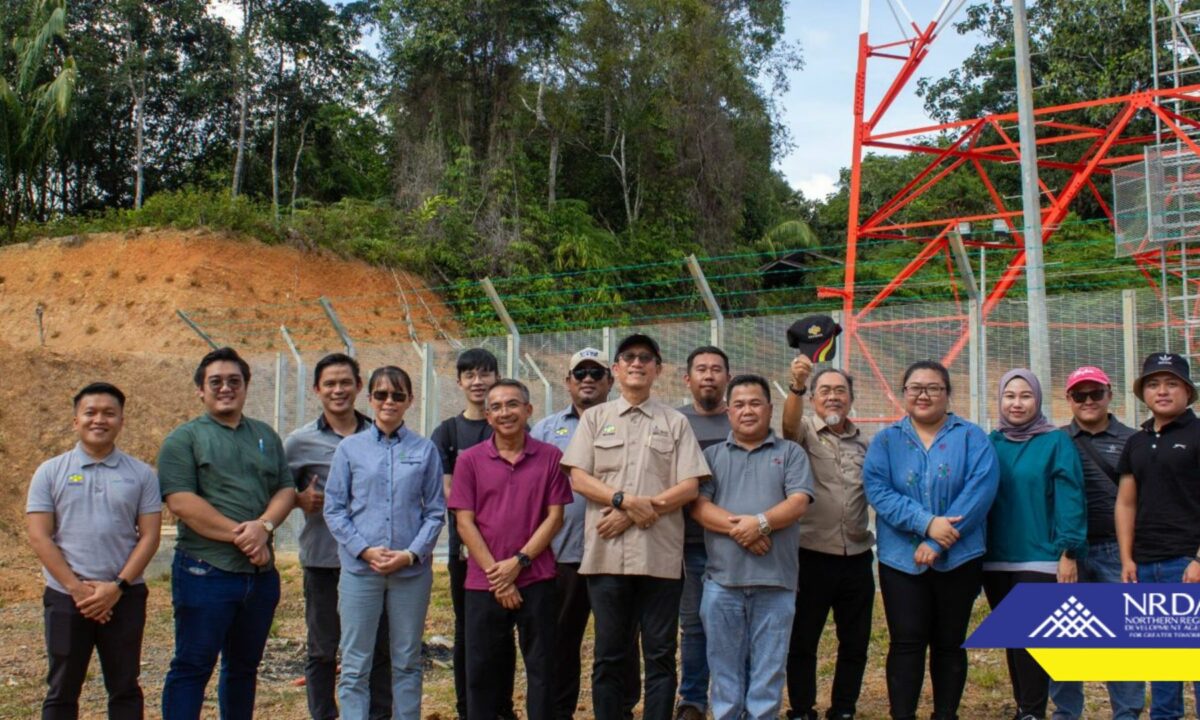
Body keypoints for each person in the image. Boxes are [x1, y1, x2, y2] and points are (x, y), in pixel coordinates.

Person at [561, 333, 711, 720]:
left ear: (658, 369)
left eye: (646, 357)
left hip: (659, 558)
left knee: (660, 655)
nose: (637, 363)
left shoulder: (675, 422)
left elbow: (690, 485)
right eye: (629, 356)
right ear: (616, 368)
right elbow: (578, 478)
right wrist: (623, 501)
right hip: (606, 558)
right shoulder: (595, 419)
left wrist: (642, 509)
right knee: (610, 654)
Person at [158, 347, 296, 720]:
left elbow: (286, 489)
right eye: (215, 381)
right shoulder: (183, 440)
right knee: (192, 666)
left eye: (234, 381)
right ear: (200, 390)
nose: (225, 388)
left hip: (259, 579)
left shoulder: (265, 435)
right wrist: (246, 537)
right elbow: (182, 502)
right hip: (205, 572)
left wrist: (263, 526)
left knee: (243, 670)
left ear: (246, 386)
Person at [863, 360, 999, 720]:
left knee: (949, 643)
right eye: (915, 388)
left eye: (933, 388)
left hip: (960, 558)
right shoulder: (886, 440)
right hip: (900, 560)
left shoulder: (972, 437)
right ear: (904, 393)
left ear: (947, 393)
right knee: (906, 643)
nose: (923, 395)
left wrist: (939, 542)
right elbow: (878, 489)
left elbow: (980, 492)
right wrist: (926, 524)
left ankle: (945, 714)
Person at [26, 382, 161, 720]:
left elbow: (150, 536)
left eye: (109, 413)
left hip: (124, 596)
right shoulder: (50, 472)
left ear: (121, 421)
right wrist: (78, 590)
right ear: (76, 420)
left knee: (125, 687)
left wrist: (115, 588)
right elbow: (40, 536)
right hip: (66, 597)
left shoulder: (142, 474)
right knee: (62, 689)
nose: (99, 419)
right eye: (90, 412)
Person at [324, 365, 446, 720]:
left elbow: (435, 511)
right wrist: (363, 549)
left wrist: (410, 554)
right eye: (381, 394)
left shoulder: (424, 450)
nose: (389, 401)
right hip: (361, 571)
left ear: (409, 400)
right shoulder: (350, 449)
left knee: (407, 659)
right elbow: (334, 508)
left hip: (410, 574)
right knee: (355, 662)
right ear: (370, 398)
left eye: (397, 395)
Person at [450, 379, 575, 720]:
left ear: (528, 410)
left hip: (537, 578)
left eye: (513, 404)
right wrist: (499, 576)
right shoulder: (470, 461)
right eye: (497, 407)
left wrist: (517, 564)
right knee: (482, 673)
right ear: (488, 416)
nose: (506, 412)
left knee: (543, 670)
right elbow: (464, 522)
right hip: (483, 582)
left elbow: (555, 517)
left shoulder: (550, 457)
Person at [692, 374, 814, 720]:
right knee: (724, 671)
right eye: (740, 404)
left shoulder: (791, 453)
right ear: (729, 411)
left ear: (770, 409)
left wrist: (760, 523)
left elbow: (799, 501)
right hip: (722, 584)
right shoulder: (712, 456)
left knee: (768, 672)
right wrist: (743, 529)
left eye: (755, 403)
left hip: (776, 583)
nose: (748, 411)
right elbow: (699, 507)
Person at [530, 347, 636, 720]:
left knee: (619, 642)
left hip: (617, 551)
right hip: (564, 555)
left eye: (595, 372)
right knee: (560, 642)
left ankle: (619, 711)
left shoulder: (630, 421)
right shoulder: (544, 430)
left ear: (611, 379)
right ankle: (560, 712)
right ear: (568, 382)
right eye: (580, 374)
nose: (587, 379)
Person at [284, 353, 391, 720]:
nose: (338, 390)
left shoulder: (380, 434)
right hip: (324, 559)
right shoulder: (299, 443)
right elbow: (278, 493)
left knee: (378, 648)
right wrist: (299, 500)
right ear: (317, 389)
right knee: (323, 650)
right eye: (329, 383)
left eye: (346, 382)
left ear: (360, 387)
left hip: (374, 562)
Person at [984, 369, 1087, 720]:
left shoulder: (1055, 442)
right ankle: (1024, 708)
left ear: (1038, 399)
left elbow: (1070, 498)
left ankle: (1032, 711)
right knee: (1015, 641)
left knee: (1034, 643)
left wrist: (1068, 551)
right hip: (996, 560)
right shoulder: (991, 441)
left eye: (1025, 395)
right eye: (1009, 395)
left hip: (1041, 559)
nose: (1017, 403)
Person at [1049, 366, 1145, 720]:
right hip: (1066, 555)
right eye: (1080, 395)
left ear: (1109, 394)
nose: (1088, 401)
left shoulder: (1133, 439)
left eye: (1095, 394)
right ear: (1069, 399)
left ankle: (1127, 713)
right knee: (1064, 639)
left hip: (1115, 551)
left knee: (1121, 641)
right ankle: (1065, 712)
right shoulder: (1056, 440)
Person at [781, 356, 874, 720]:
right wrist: (797, 386)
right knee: (803, 640)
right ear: (814, 398)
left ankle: (844, 708)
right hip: (811, 554)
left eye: (840, 390)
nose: (833, 397)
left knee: (855, 641)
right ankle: (802, 708)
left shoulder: (865, 443)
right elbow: (787, 427)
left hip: (858, 554)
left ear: (850, 397)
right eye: (825, 391)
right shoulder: (802, 432)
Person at [430, 348, 518, 720]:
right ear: (459, 382)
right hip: (466, 554)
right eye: (470, 375)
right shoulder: (448, 432)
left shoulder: (508, 423)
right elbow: (452, 494)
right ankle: (469, 708)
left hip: (514, 555)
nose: (478, 381)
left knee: (506, 635)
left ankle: (503, 707)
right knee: (469, 633)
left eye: (485, 373)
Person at [1116, 353, 1200, 720]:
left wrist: (1199, 559)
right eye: (1153, 384)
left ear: (1187, 391)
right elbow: (1126, 504)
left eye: (1171, 383)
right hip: (1146, 565)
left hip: (1188, 564)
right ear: (1143, 393)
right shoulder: (1135, 442)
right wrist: (1127, 559)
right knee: (1164, 667)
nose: (1162, 391)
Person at [675, 345, 732, 720]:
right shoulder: (674, 422)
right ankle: (693, 700)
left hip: (734, 542)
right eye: (701, 369)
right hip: (688, 544)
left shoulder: (743, 417)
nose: (709, 375)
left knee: (733, 625)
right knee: (693, 626)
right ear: (688, 378)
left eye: (716, 369)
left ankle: (733, 697)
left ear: (727, 377)